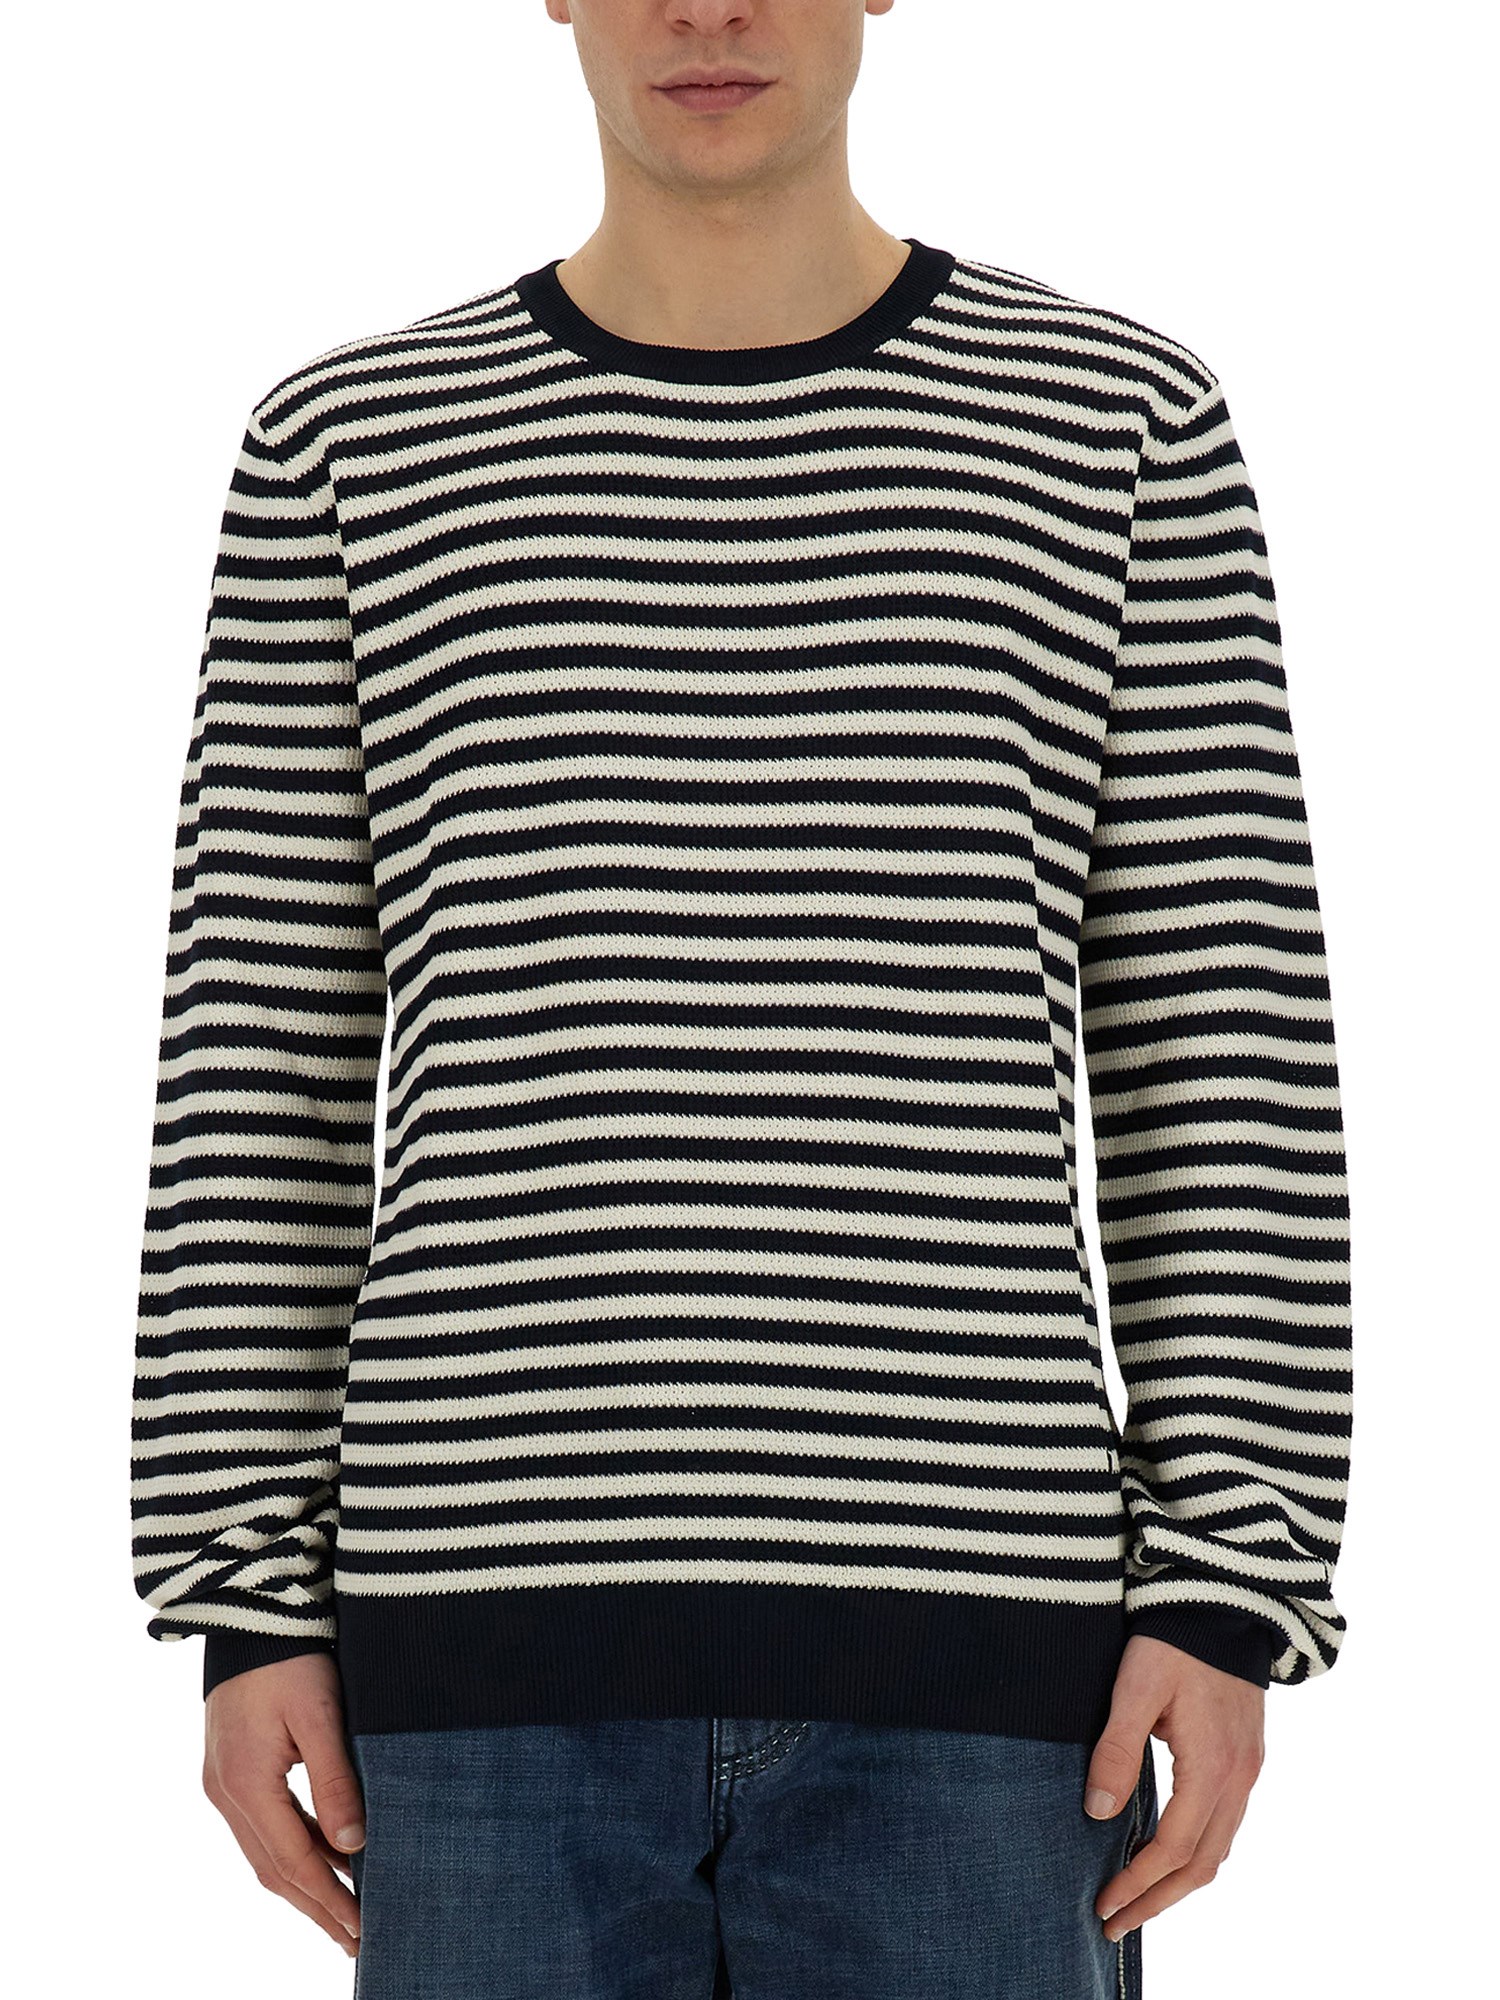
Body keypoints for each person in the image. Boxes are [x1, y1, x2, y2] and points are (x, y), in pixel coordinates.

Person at [130, 3, 1354, 1995]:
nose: (709, 8)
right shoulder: (351, 450)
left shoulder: (1114, 427)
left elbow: (1220, 1045)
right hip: (476, 1670)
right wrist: (245, 1597)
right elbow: (258, 1062)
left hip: (989, 1673)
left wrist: (1232, 1583)